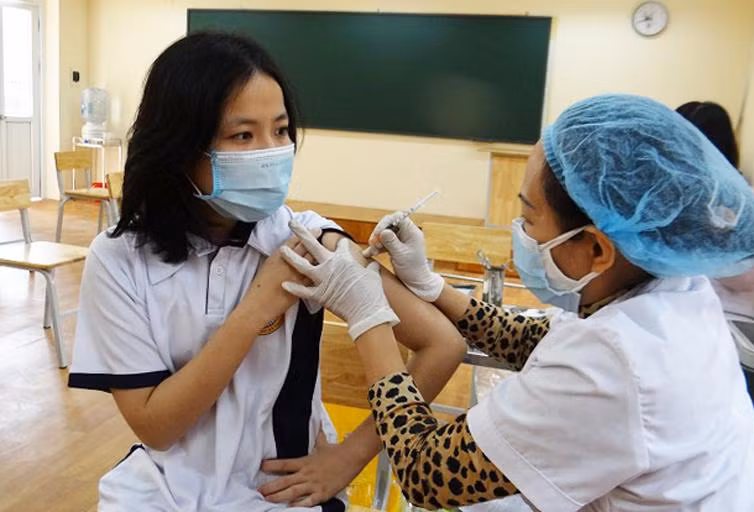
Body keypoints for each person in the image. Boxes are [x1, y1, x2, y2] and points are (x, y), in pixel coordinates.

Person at [281, 94, 754, 510]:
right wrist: (430, 284)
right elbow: (531, 336)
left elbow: (425, 471)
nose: (520, 234)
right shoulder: (675, 293)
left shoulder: (613, 365)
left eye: (529, 217)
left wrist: (369, 314)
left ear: (598, 248)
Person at [67, 32, 466, 511]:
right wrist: (258, 307)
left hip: (281, 494)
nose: (271, 151)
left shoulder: (308, 241)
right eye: (243, 135)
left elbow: (442, 343)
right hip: (160, 490)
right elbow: (157, 427)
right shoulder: (118, 258)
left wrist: (349, 458)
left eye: (280, 131)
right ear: (179, 146)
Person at [677, 100, 754, 321]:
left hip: (728, 316)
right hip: (685, 310)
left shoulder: (741, 204)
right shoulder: (677, 195)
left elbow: (744, 277)